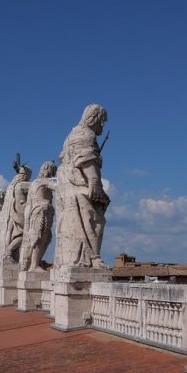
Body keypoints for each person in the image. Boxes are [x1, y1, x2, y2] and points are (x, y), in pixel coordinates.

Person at [54, 104, 110, 269]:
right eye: (102, 121)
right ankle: (94, 258)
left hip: (67, 187)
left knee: (76, 223)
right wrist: (94, 181)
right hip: (80, 186)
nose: (102, 125)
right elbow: (85, 160)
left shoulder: (72, 134)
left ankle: (80, 258)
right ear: (94, 119)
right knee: (96, 219)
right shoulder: (86, 134)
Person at [20, 161, 58, 272]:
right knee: (41, 237)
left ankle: (35, 262)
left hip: (35, 212)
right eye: (53, 172)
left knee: (43, 238)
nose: (54, 174)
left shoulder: (34, 183)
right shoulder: (45, 181)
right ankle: (34, 265)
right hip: (42, 211)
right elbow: (57, 187)